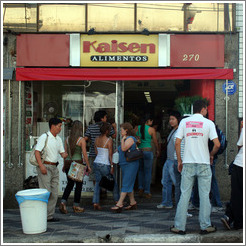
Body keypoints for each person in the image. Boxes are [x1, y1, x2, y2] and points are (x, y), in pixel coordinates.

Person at [170, 99, 220, 235]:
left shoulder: (184, 122)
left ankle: (179, 226)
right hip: (204, 163)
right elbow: (217, 144)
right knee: (204, 196)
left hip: (188, 163)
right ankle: (205, 226)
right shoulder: (209, 123)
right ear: (203, 109)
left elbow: (177, 142)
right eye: (206, 109)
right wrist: (211, 155)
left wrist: (180, 160)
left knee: (184, 194)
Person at [35, 118, 68, 222]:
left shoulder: (58, 139)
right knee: (46, 192)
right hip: (45, 166)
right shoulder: (44, 137)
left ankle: (49, 216)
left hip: (54, 167)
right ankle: (41, 215)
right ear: (53, 126)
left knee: (54, 193)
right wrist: (41, 166)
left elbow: (62, 152)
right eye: (59, 126)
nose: (60, 128)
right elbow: (37, 152)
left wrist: (65, 154)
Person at [59, 120, 91, 214]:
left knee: (69, 184)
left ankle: (63, 202)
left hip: (68, 163)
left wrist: (64, 165)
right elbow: (84, 154)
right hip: (77, 163)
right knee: (79, 185)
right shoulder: (81, 140)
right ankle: (76, 205)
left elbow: (65, 153)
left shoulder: (67, 139)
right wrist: (88, 166)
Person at [111, 122, 139, 212]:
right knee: (129, 183)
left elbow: (124, 148)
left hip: (130, 164)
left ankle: (119, 203)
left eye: (121, 130)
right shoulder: (127, 138)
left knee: (126, 183)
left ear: (126, 130)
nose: (120, 131)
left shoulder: (130, 139)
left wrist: (123, 140)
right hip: (125, 164)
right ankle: (132, 202)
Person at [221, 120, 243, 230]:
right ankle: (231, 218)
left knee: (237, 195)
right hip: (240, 165)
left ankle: (232, 219)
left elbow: (239, 144)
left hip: (239, 164)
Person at [93, 122, 119, 210]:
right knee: (113, 183)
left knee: (97, 183)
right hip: (105, 163)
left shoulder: (96, 139)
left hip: (96, 162)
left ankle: (96, 202)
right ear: (107, 131)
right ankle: (117, 201)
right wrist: (112, 166)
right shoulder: (109, 140)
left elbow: (96, 152)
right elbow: (110, 154)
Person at [157, 111, 181, 209]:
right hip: (168, 160)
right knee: (165, 181)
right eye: (170, 119)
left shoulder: (180, 131)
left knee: (177, 183)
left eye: (172, 119)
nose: (170, 121)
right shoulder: (173, 130)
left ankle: (181, 205)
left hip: (174, 160)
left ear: (178, 120)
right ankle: (167, 202)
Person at [84, 110, 116, 183]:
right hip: (105, 156)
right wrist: (115, 127)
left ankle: (96, 189)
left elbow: (85, 138)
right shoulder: (107, 126)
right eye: (105, 117)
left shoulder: (91, 127)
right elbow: (114, 136)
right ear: (102, 118)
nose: (106, 119)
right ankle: (103, 191)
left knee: (95, 176)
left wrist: (91, 140)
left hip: (93, 154)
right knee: (104, 175)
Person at [136, 114, 159, 199]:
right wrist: (157, 150)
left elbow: (135, 138)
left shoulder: (137, 128)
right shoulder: (151, 129)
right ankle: (147, 191)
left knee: (140, 171)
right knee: (148, 172)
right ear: (148, 120)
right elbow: (155, 141)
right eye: (151, 121)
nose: (152, 122)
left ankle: (140, 188)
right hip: (148, 151)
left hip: (139, 152)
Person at [151, 120, 162, 185]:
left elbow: (159, 143)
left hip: (154, 152)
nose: (155, 128)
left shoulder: (157, 134)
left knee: (153, 168)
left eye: (156, 127)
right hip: (150, 151)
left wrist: (159, 151)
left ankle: (152, 181)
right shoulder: (148, 132)